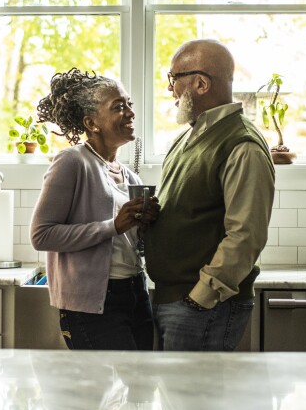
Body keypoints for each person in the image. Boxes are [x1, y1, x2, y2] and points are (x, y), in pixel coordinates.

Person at [144, 39, 276, 351]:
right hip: (175, 300)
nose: (169, 90)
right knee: (180, 400)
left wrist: (200, 298)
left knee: (192, 400)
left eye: (173, 79)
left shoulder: (241, 144)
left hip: (202, 306)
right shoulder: (188, 137)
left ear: (201, 83)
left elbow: (246, 235)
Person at [30, 68, 159, 350]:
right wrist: (114, 225)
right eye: (118, 107)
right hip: (94, 304)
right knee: (99, 391)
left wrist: (145, 225)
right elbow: (42, 235)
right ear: (92, 122)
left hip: (135, 290)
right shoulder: (72, 162)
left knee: (141, 388)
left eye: (129, 104)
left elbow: (127, 244)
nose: (130, 113)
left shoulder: (130, 176)